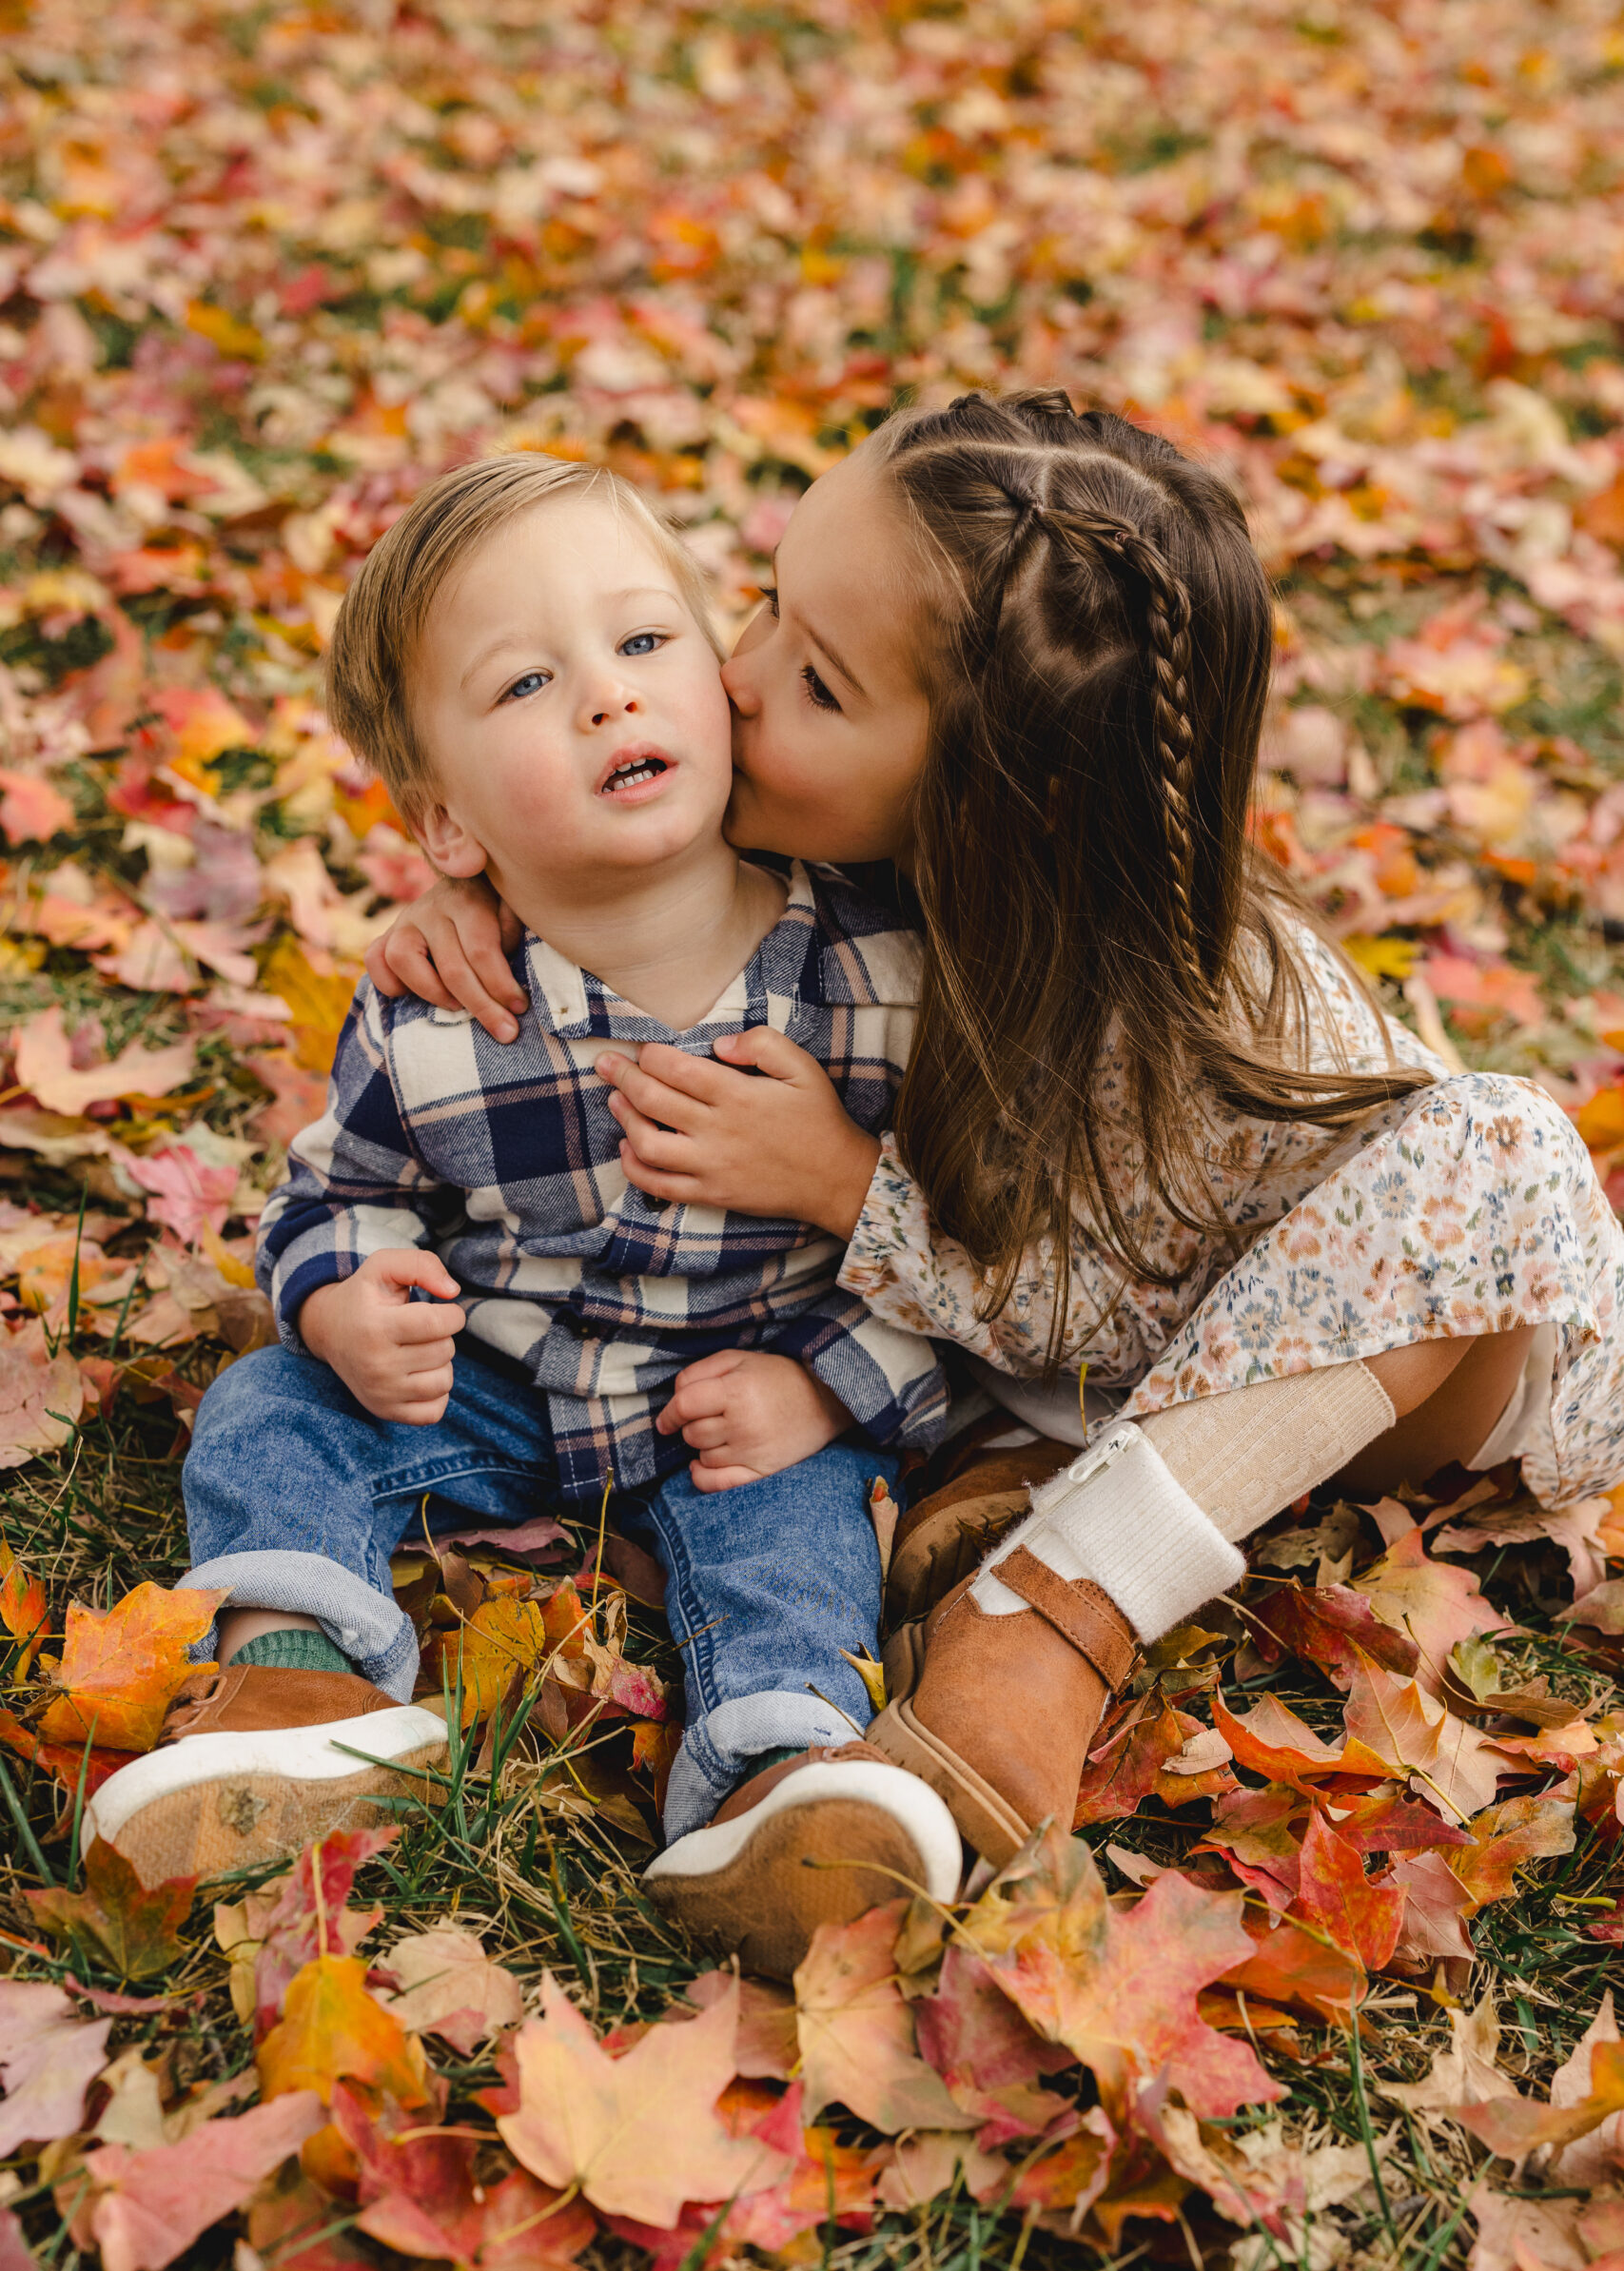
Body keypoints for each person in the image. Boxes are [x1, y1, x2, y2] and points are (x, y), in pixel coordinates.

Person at [366, 387, 1624, 1870]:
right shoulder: (850, 856)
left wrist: (851, 1190)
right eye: (762, 605)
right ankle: (1005, 1486)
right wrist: (492, 895)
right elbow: (607, 848)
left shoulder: (1187, 1011)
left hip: (1361, 1368)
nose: (735, 678)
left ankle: (1048, 1609)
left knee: (1501, 1136)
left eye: (817, 682)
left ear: (989, 800)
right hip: (1024, 1364)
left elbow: (1140, 1311)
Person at [86, 452, 963, 1978]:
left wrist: (825, 1385)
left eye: (642, 645)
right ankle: (299, 1687)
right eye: (527, 685)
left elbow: (948, 1243)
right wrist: (343, 1301)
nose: (610, 702)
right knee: (268, 1406)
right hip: (493, 1380)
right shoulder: (438, 1011)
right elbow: (335, 1196)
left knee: (801, 1538)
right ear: (444, 824)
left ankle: (775, 1778)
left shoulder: (879, 977)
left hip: (731, 1396)